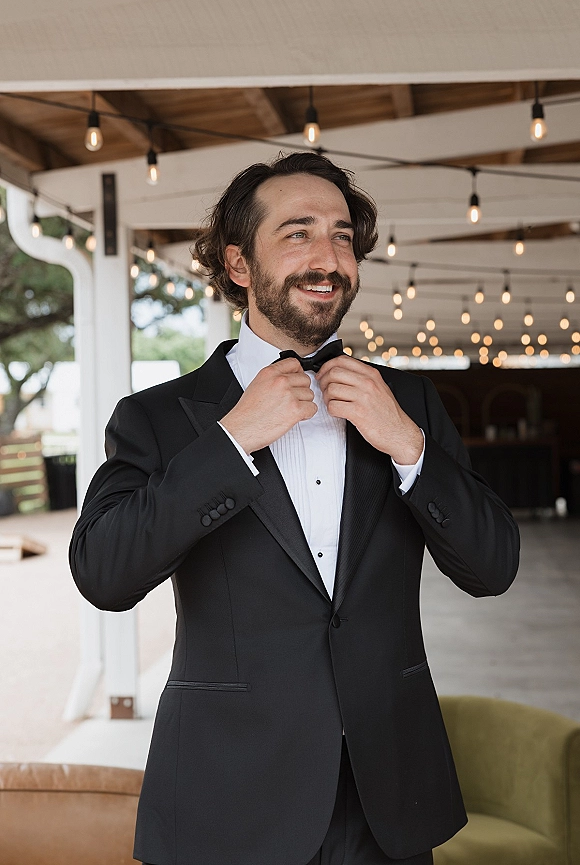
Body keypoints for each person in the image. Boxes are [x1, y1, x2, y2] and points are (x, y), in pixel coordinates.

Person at [69, 152, 520, 865]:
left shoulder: (412, 404)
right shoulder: (155, 418)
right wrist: (230, 440)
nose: (328, 256)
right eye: (298, 233)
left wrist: (406, 443)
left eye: (342, 235)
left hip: (387, 802)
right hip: (228, 798)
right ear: (240, 265)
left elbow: (493, 565)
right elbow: (103, 572)